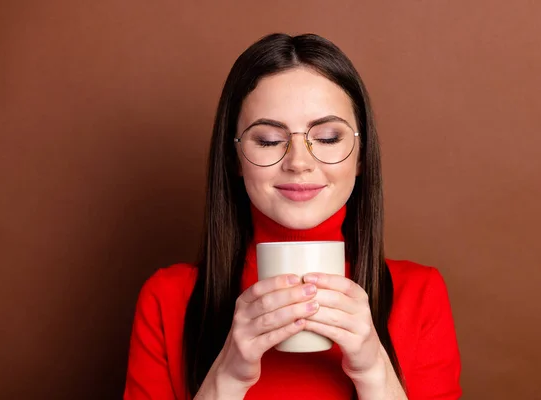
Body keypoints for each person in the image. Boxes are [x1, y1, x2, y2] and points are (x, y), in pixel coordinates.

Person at [123, 33, 462, 400]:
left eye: (329, 138)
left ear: (362, 155)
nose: (299, 162)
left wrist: (374, 372)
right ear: (235, 157)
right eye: (268, 140)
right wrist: (228, 376)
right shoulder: (168, 298)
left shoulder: (420, 293)